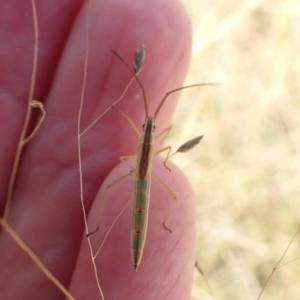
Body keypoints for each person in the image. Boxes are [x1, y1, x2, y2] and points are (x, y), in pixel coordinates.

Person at [0, 0, 197, 299]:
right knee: (120, 191)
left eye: (148, 129)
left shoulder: (144, 133)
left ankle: (156, 228)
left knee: (142, 193)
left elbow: (134, 149)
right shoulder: (148, 136)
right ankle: (122, 227)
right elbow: (153, 144)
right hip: (142, 179)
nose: (147, 128)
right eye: (147, 128)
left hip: (141, 180)